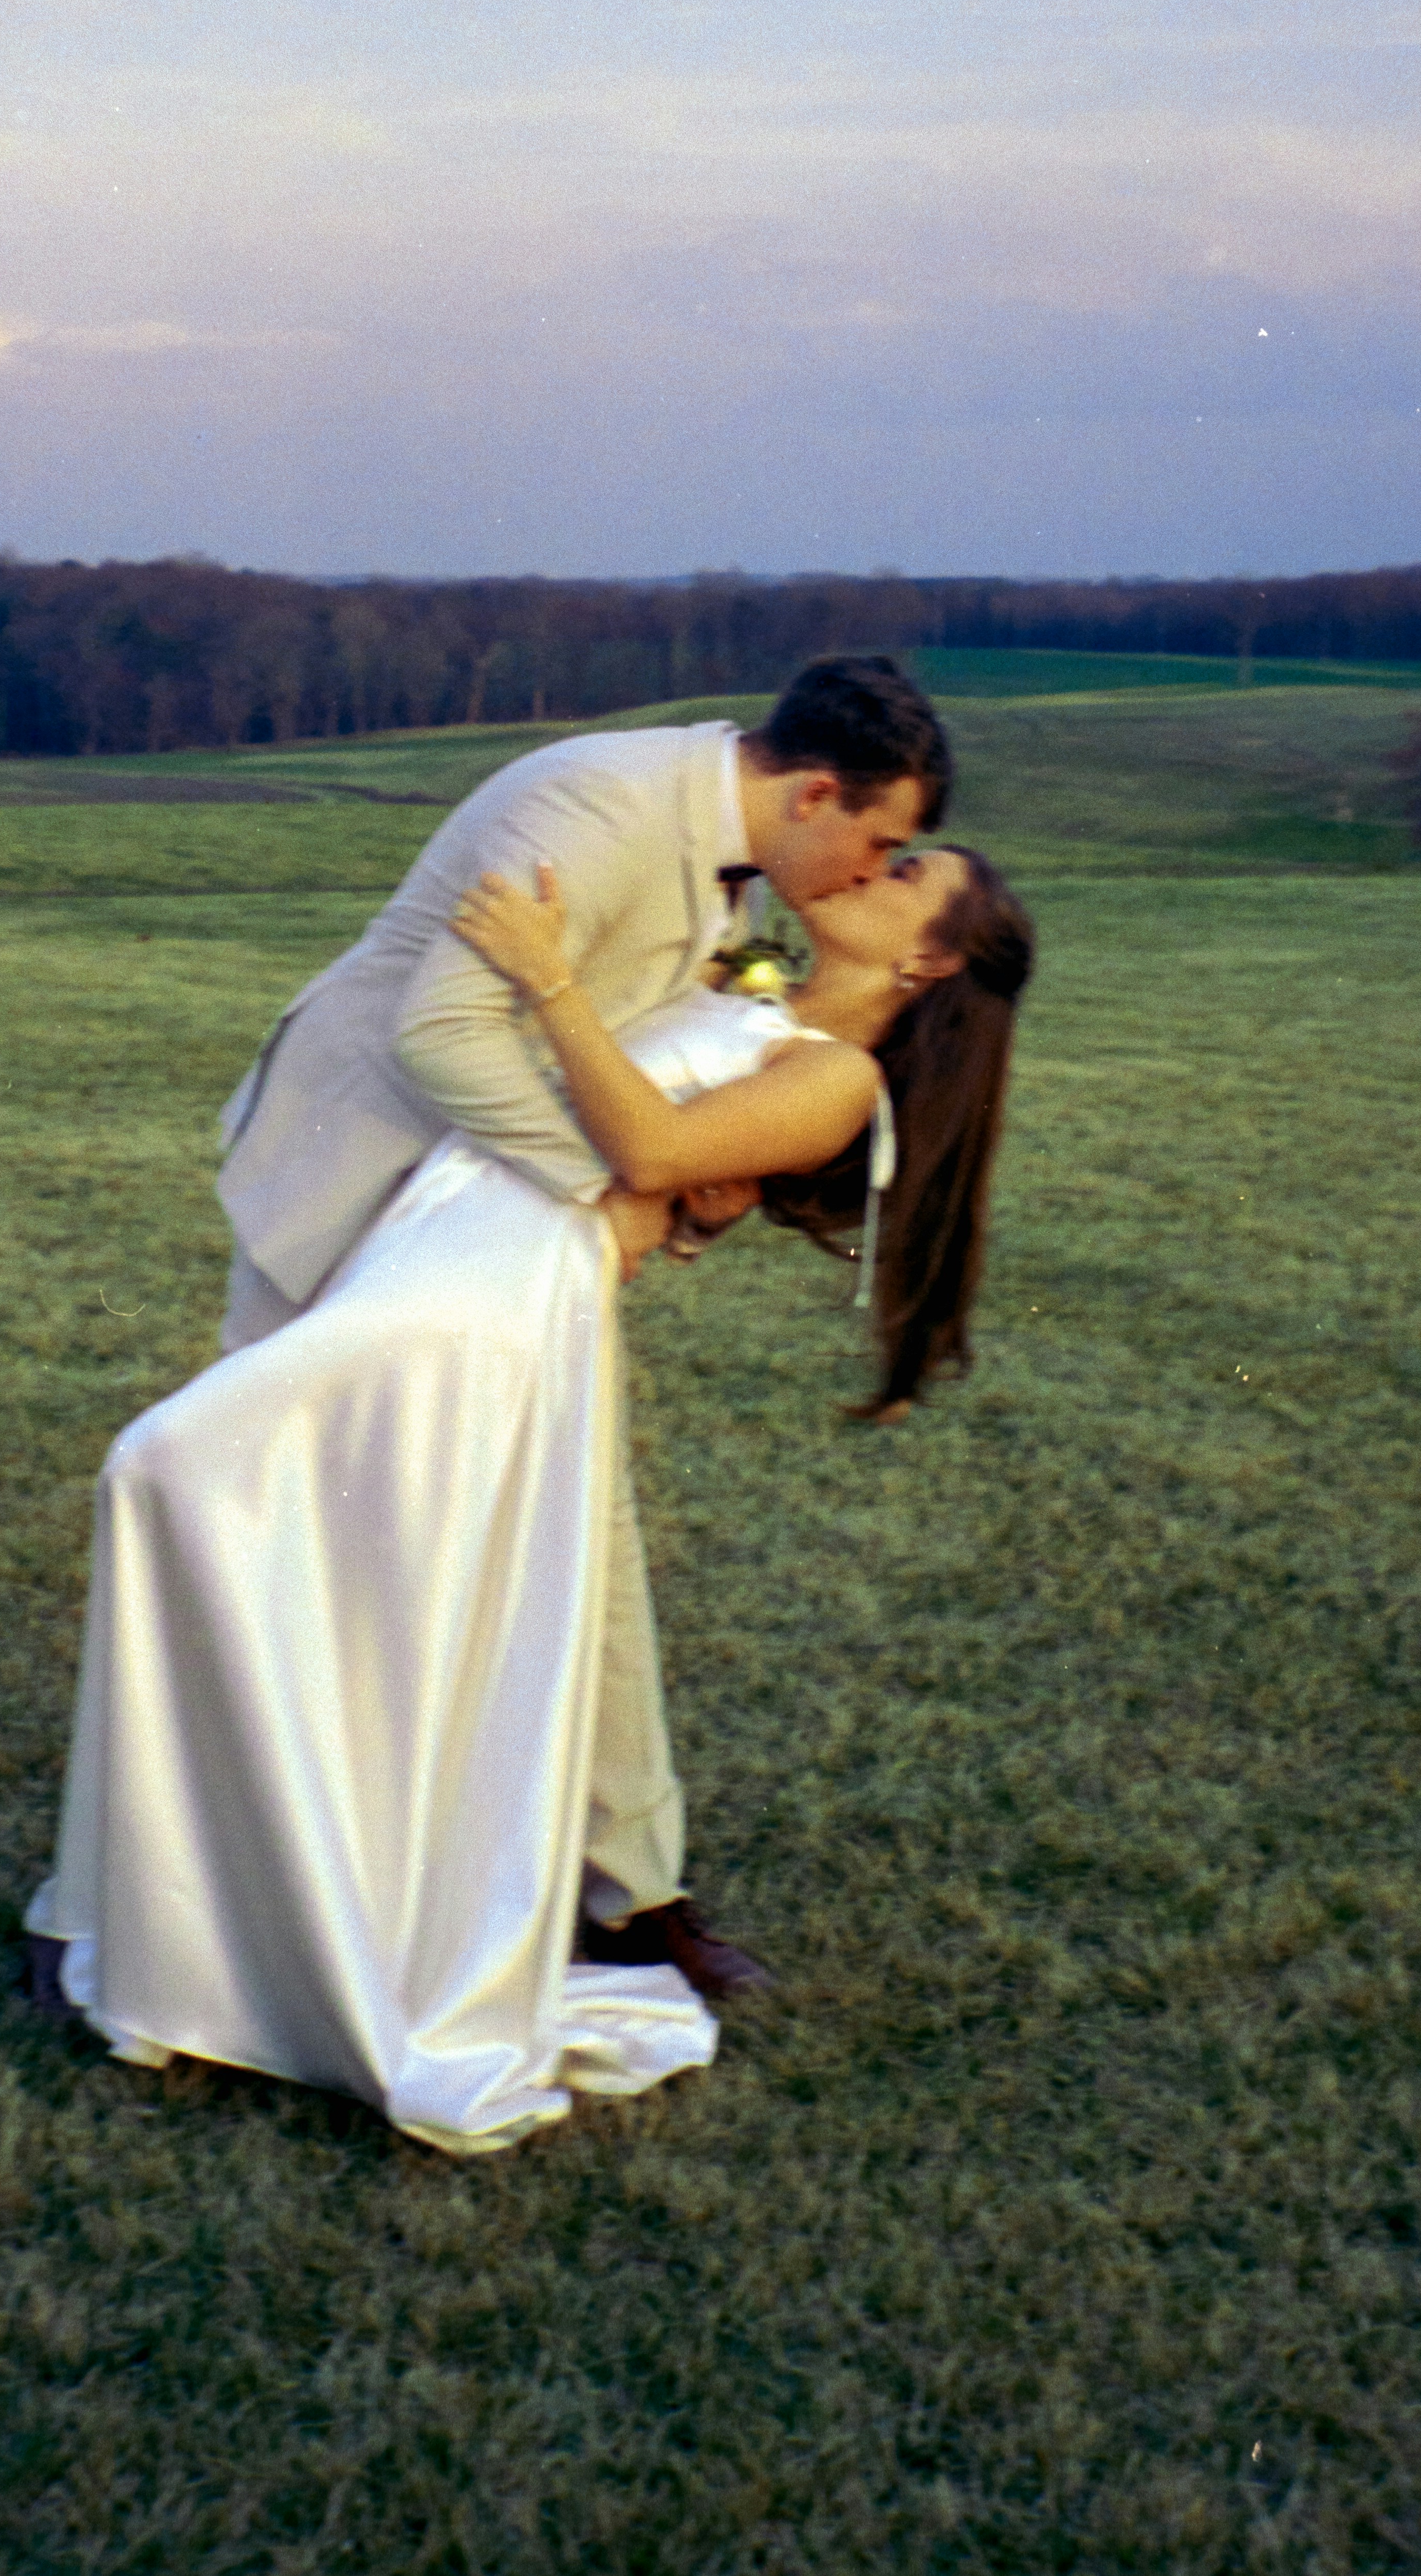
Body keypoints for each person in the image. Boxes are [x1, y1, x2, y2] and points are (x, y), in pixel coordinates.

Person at [17, 832, 1032, 2156]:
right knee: (289, 1538)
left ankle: (244, 1918)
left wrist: (548, 982)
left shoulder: (837, 1081)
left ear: (930, 958)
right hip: (438, 1237)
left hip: (497, 1296)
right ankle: (204, 1904)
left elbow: (650, 1143)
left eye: (906, 877)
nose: (868, 867)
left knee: (168, 1466)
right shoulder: (743, 991)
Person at [205, 653, 952, 1977]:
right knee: (263, 1527)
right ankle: (204, 1897)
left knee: (575, 1523)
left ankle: (629, 1895)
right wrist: (601, 1195)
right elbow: (439, 1034)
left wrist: (679, 1173)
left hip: (499, 1222)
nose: (867, 875)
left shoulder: (738, 853)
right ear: (817, 793)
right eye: (879, 845)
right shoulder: (601, 811)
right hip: (357, 1175)